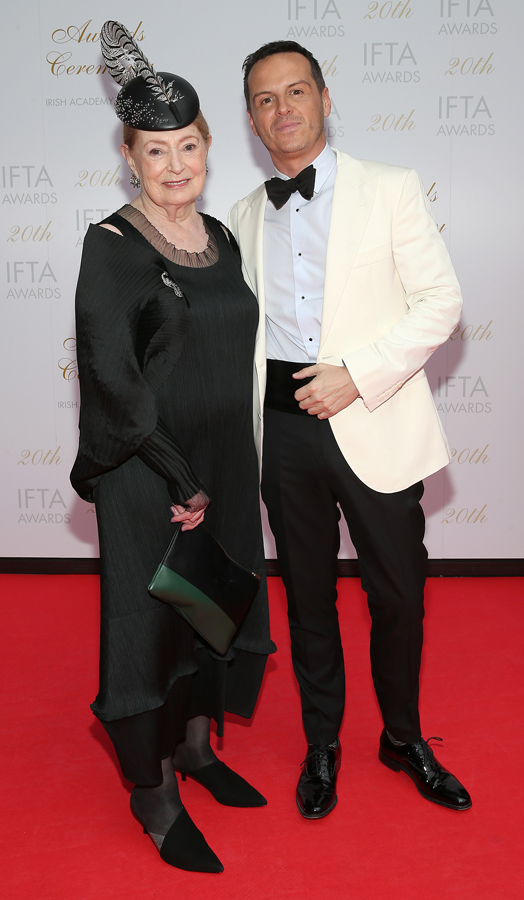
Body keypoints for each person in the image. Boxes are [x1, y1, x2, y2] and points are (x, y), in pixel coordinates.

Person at [228, 40, 471, 820]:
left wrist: (357, 374)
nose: (283, 109)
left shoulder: (390, 188)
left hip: (373, 411)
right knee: (307, 597)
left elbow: (440, 302)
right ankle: (322, 742)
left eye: (297, 91)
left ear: (326, 100)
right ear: (252, 119)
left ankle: (402, 737)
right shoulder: (242, 215)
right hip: (281, 428)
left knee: (398, 594)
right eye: (266, 99)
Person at [70, 22, 274, 873]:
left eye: (188, 145)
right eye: (156, 150)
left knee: (210, 607)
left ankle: (195, 748)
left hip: (223, 460)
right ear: (130, 157)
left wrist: (228, 467)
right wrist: (180, 479)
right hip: (151, 470)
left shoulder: (222, 237)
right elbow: (112, 378)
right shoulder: (112, 245)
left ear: (208, 147)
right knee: (148, 621)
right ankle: (152, 792)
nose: (176, 164)